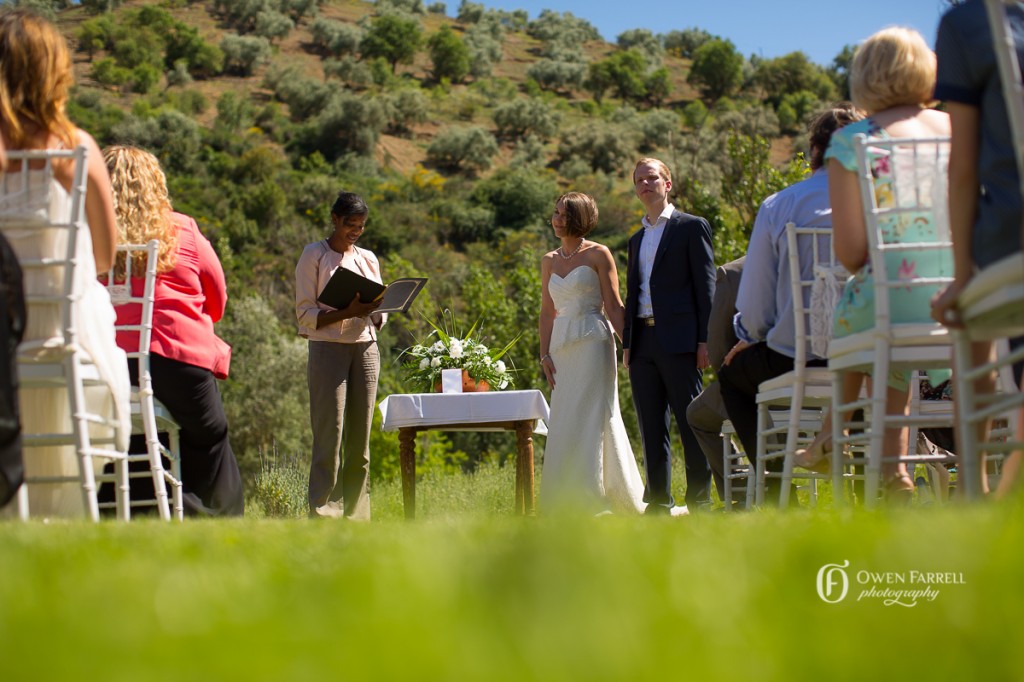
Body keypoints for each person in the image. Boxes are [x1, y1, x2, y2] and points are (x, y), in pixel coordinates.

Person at [0, 10, 130, 517]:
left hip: (2, 341)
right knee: (92, 300)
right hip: (62, 338)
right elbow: (104, 255)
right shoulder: (75, 147)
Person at [823, 26, 951, 499]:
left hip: (895, 300)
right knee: (884, 315)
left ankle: (842, 441)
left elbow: (852, 254)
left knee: (865, 308)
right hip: (964, 299)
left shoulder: (853, 141)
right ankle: (903, 472)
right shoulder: (958, 128)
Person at [717, 103, 862, 503]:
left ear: (814, 150)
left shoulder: (780, 205)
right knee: (871, 373)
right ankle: (868, 489)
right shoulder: (878, 204)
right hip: (866, 355)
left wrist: (748, 335)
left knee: (731, 377)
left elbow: (757, 303)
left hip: (795, 355)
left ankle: (779, 485)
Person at [103, 145, 243, 516]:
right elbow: (217, 301)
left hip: (105, 364)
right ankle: (210, 519)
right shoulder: (183, 229)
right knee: (209, 436)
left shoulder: (84, 236)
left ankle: (120, 508)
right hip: (173, 360)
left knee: (124, 434)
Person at [930, 0, 1024, 498]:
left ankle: (975, 485)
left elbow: (962, 170)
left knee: (971, 328)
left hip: (1011, 235)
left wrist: (961, 274)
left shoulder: (970, 23)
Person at [538, 192, 649, 515]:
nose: (556, 219)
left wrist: (631, 346)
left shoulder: (599, 254)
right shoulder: (548, 260)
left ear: (580, 217)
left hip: (593, 344)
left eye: (563, 214)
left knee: (594, 416)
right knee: (565, 418)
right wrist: (544, 354)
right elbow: (547, 312)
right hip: (561, 348)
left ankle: (597, 500)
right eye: (555, 212)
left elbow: (614, 306)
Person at [623, 158, 715, 513]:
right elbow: (634, 293)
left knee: (690, 420)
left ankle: (700, 499)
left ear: (668, 183)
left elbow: (706, 287)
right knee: (650, 424)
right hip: (642, 342)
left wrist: (705, 340)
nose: (645, 184)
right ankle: (659, 502)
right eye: (639, 181)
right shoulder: (636, 239)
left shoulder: (691, 227)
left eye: (652, 178)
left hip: (681, 340)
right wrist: (628, 343)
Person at [296, 191, 384, 520]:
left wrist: (377, 308)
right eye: (350, 224)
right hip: (327, 349)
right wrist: (347, 310)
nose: (355, 232)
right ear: (335, 219)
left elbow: (378, 312)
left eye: (361, 226)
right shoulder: (313, 256)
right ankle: (323, 513)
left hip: (365, 348)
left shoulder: (368, 258)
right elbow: (305, 314)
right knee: (329, 436)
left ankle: (357, 515)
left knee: (360, 441)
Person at [685, 256, 743, 505]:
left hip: (760, 383)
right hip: (835, 380)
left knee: (697, 414)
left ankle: (744, 489)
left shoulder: (735, 273)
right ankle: (865, 489)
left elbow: (718, 346)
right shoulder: (832, 261)